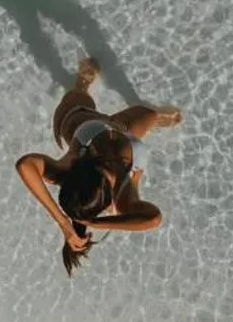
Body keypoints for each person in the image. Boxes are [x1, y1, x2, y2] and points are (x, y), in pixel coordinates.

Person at [15, 58, 183, 276]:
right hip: (107, 128)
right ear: (107, 196)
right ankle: (86, 88)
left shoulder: (68, 169)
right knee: (142, 113)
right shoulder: (124, 200)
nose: (105, 163)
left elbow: (24, 165)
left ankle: (82, 85)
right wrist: (92, 223)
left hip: (89, 121)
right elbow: (153, 219)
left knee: (88, 99)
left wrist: (65, 225)